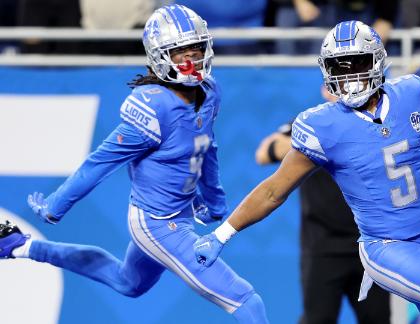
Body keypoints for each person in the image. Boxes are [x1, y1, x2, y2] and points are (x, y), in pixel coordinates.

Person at [192, 20, 420, 324]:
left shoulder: (411, 95)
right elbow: (275, 190)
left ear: (377, 62)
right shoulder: (321, 125)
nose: (349, 76)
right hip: (386, 246)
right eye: (340, 67)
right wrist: (222, 235)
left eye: (356, 63)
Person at [0, 5, 268, 323]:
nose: (192, 59)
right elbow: (99, 163)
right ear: (160, 54)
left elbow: (207, 147)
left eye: (197, 49)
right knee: (246, 301)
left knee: (127, 282)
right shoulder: (153, 107)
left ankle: (21, 246)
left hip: (180, 213)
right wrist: (56, 205)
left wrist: (213, 199)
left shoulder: (209, 91)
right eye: (181, 51)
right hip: (156, 222)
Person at [255, 118, 391, 323]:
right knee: (318, 319)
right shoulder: (310, 124)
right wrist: (307, 146)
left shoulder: (373, 123)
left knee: (377, 319)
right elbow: (263, 154)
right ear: (325, 90)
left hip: (370, 247)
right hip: (322, 249)